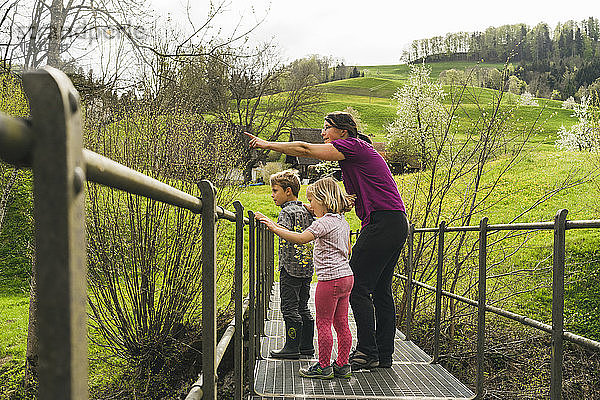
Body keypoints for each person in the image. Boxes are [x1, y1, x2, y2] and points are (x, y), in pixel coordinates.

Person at [246, 111, 408, 370]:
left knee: (358, 286)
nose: (323, 133)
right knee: (380, 291)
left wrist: (267, 144)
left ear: (343, 132)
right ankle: (382, 353)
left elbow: (304, 148)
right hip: (395, 222)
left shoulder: (352, 147)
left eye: (327, 128)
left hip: (382, 222)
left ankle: (367, 351)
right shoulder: (358, 154)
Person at [256, 177, 355, 380]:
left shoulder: (323, 223)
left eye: (312, 202)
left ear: (323, 200)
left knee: (324, 323)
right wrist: (315, 211)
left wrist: (274, 227)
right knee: (342, 323)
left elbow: (301, 239)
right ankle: (343, 365)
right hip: (347, 277)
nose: (309, 206)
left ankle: (324, 366)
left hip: (329, 281)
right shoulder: (341, 222)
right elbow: (348, 248)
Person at [266, 170, 315, 359]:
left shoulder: (286, 212)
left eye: (275, 190)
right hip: (306, 267)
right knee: (303, 306)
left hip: (289, 267)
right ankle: (306, 346)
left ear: (288, 191)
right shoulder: (305, 210)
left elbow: (283, 233)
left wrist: (271, 224)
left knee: (288, 307)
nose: (272, 195)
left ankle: (291, 347)